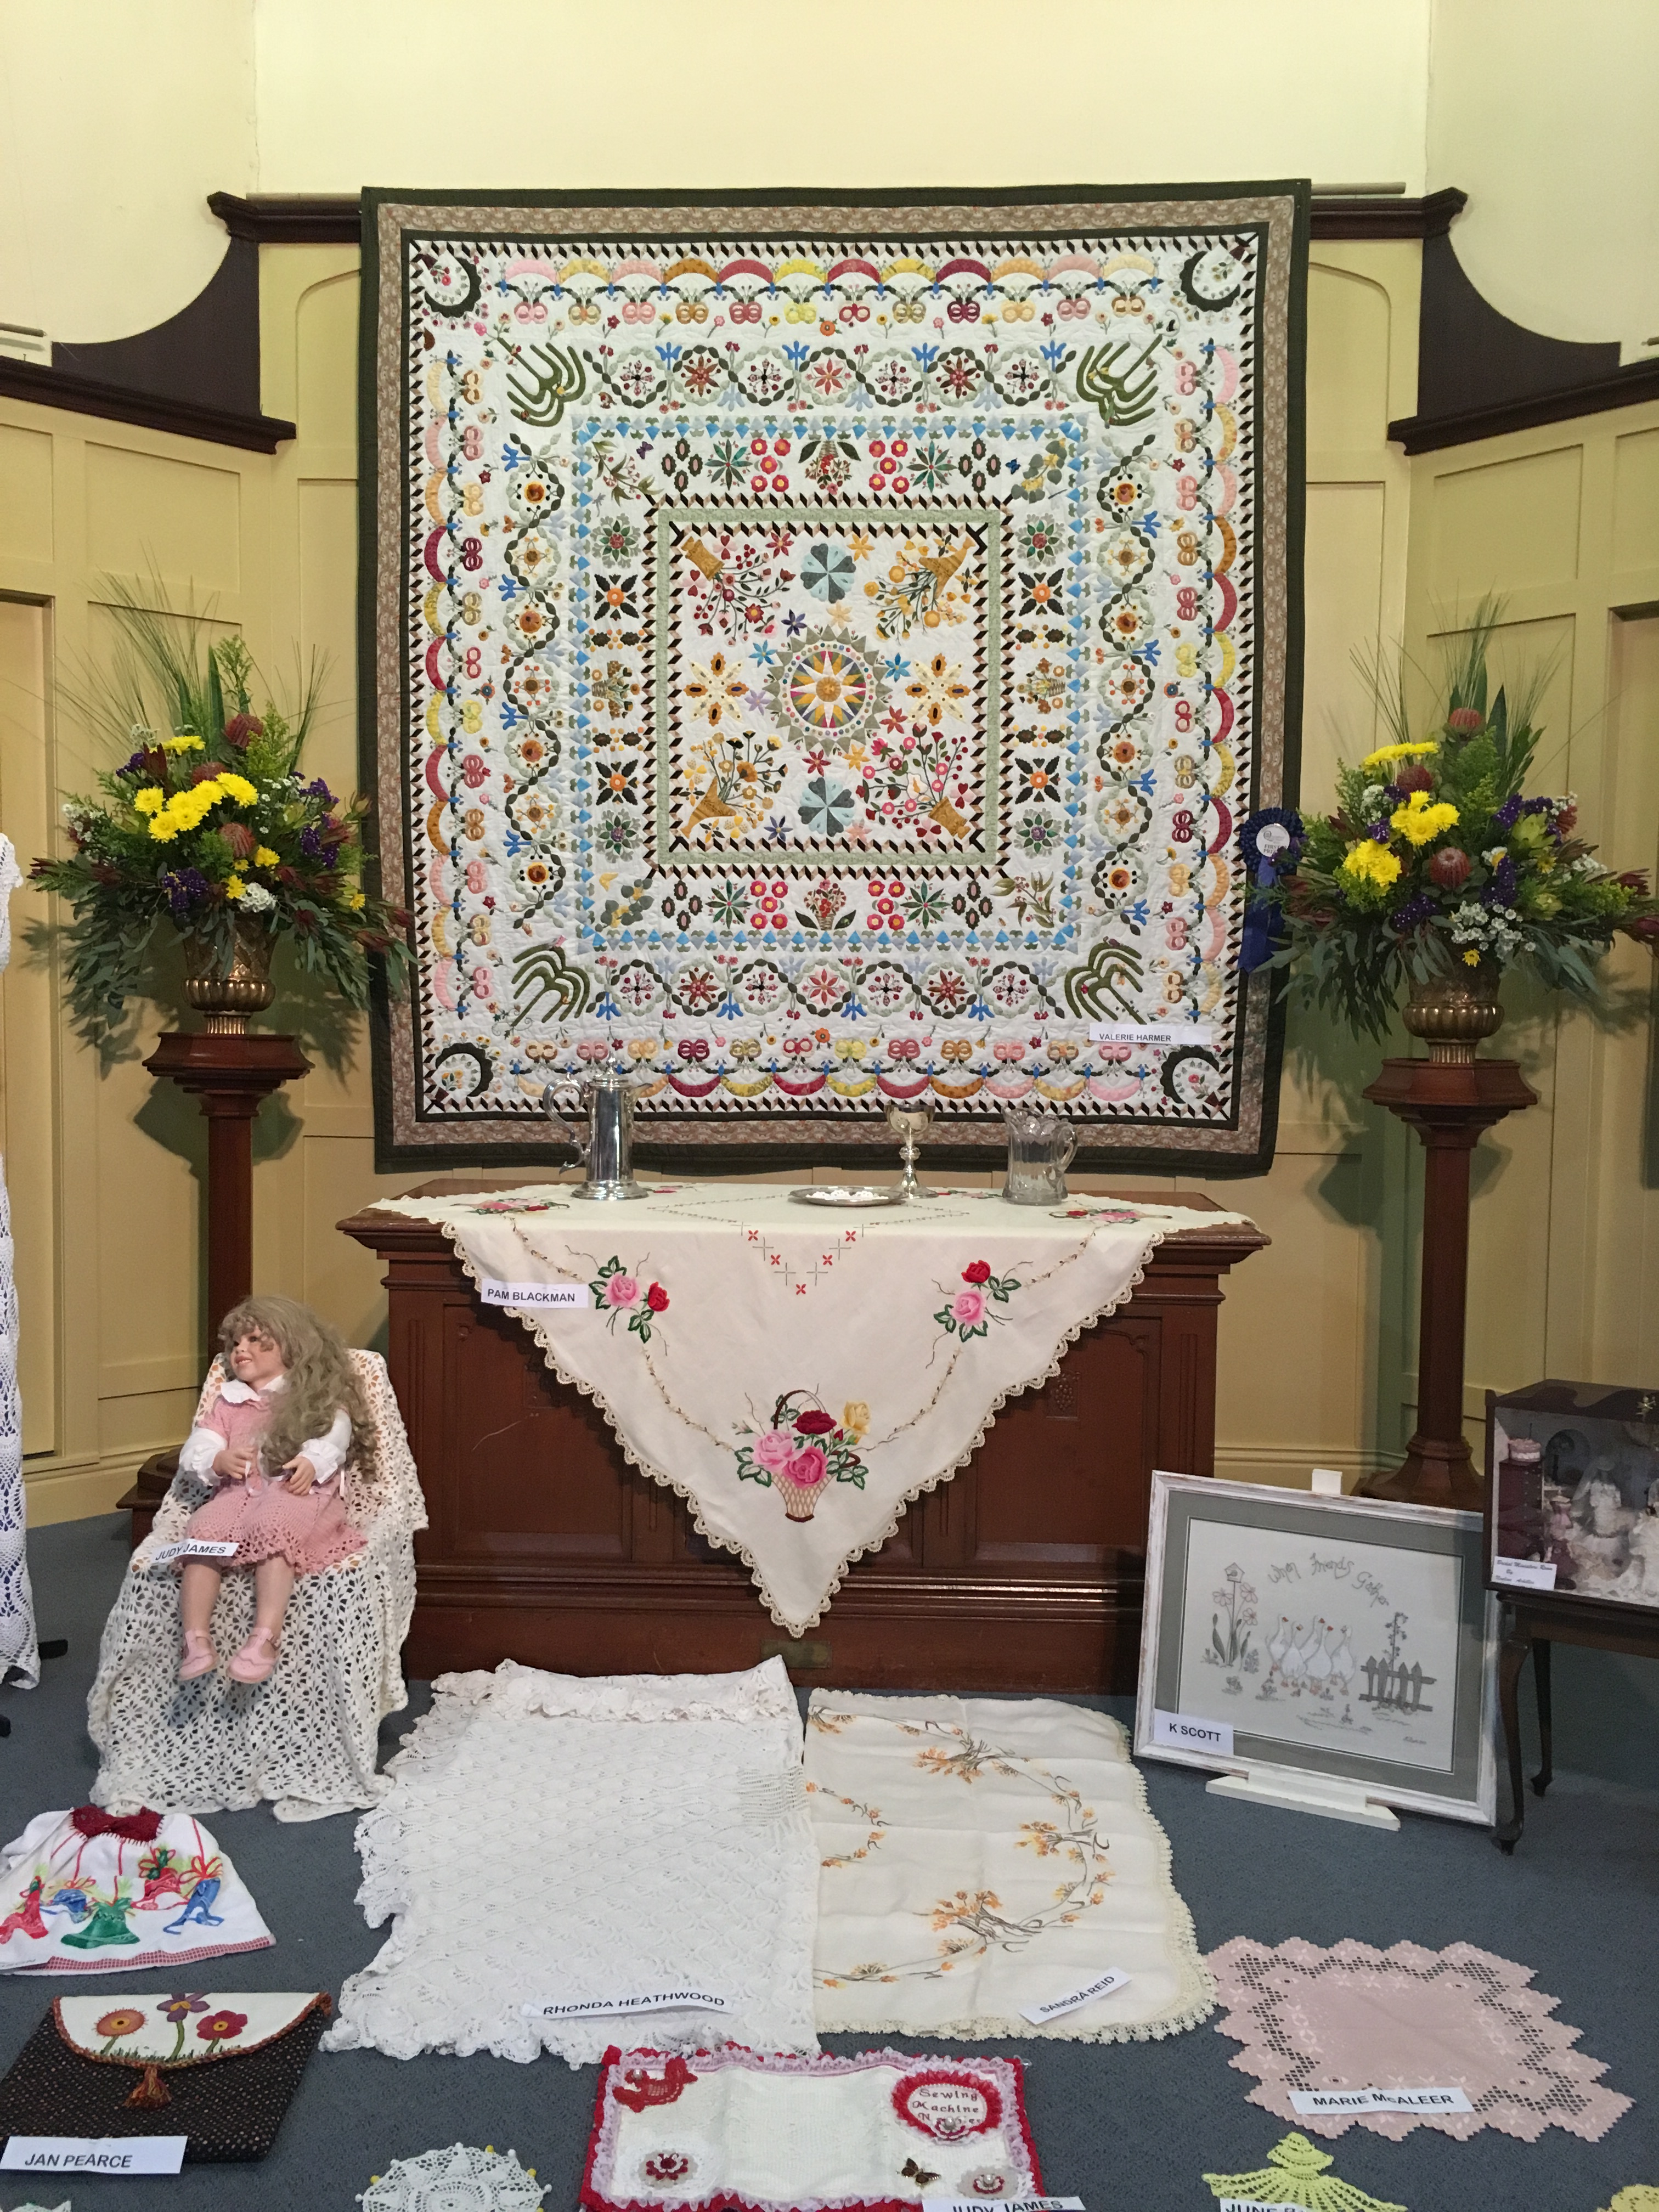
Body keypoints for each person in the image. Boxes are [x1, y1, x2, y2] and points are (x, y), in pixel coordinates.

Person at [174, 1296, 367, 1685]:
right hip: (239, 1494)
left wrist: (312, 1460)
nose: (240, 1350)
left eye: (254, 1340)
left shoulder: (309, 1394)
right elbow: (201, 1442)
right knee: (203, 1529)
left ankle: (265, 1636)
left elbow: (336, 1431)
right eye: (235, 1344)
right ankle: (196, 1638)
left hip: (298, 1493)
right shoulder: (229, 1402)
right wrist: (217, 1459)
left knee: (274, 1524)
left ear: (290, 1346)